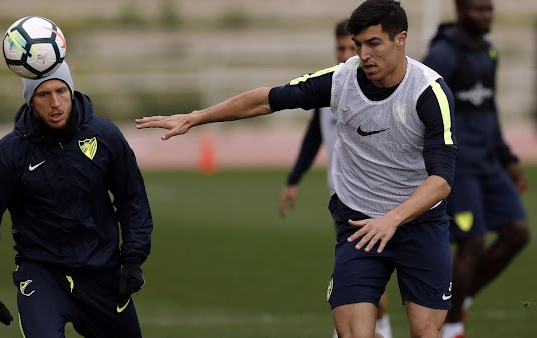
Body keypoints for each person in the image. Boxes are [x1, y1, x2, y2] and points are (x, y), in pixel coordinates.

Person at [137, 1, 457, 336]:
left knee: (425, 333)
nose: (363, 54)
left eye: (373, 44)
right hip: (359, 220)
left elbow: (442, 179)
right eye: (358, 44)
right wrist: (197, 117)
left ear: (400, 39)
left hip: (419, 224)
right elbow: (267, 99)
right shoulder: (341, 80)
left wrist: (392, 219)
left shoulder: (428, 92)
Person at [0, 61, 153, 338]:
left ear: (71, 91)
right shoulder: (10, 153)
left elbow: (132, 200)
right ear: (30, 101)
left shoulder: (105, 136)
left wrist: (133, 259)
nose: (55, 103)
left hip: (102, 274)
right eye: (43, 94)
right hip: (42, 275)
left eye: (61, 91)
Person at [277, 19, 392, 338]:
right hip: (345, 200)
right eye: (341, 47)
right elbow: (315, 134)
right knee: (365, 281)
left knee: (368, 280)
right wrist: (293, 180)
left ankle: (372, 326)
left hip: (382, 199)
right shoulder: (332, 84)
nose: (345, 53)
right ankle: (376, 327)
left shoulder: (377, 86)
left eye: (350, 47)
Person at [422, 1, 530, 337]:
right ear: (460, 10)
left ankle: (459, 301)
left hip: (489, 164)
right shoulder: (442, 55)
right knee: (471, 243)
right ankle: (452, 327)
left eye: (489, 9)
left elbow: (489, 110)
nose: (486, 16)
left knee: (517, 232)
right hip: (459, 167)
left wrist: (508, 159)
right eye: (478, 9)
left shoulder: (489, 54)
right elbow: (421, 104)